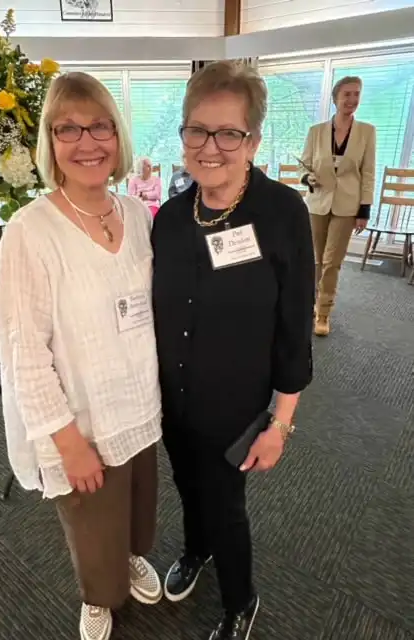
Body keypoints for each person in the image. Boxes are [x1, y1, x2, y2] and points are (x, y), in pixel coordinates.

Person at [0, 72, 163, 640]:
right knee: (91, 524)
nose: (87, 142)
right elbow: (24, 352)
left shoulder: (135, 213)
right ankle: (98, 595)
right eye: (68, 128)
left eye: (99, 127)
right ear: (50, 142)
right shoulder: (29, 231)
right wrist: (68, 443)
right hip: (81, 420)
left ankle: (131, 559)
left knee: (135, 506)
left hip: (139, 403)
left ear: (118, 136)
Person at [152, 61, 314, 640]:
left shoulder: (282, 213)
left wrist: (282, 423)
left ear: (253, 141)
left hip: (235, 403)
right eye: (197, 130)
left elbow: (294, 325)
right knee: (187, 486)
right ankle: (196, 550)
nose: (210, 147)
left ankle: (240, 600)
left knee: (225, 505)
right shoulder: (171, 217)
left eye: (228, 133)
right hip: (171, 397)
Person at [300, 75, 376, 337]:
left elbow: (368, 173)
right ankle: (309, 302)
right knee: (314, 260)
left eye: (356, 94)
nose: (352, 99)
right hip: (318, 202)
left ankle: (324, 312)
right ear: (335, 98)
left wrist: (364, 209)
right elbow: (304, 164)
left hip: (347, 206)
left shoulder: (367, 132)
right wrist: (307, 178)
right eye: (347, 94)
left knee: (332, 262)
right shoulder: (316, 131)